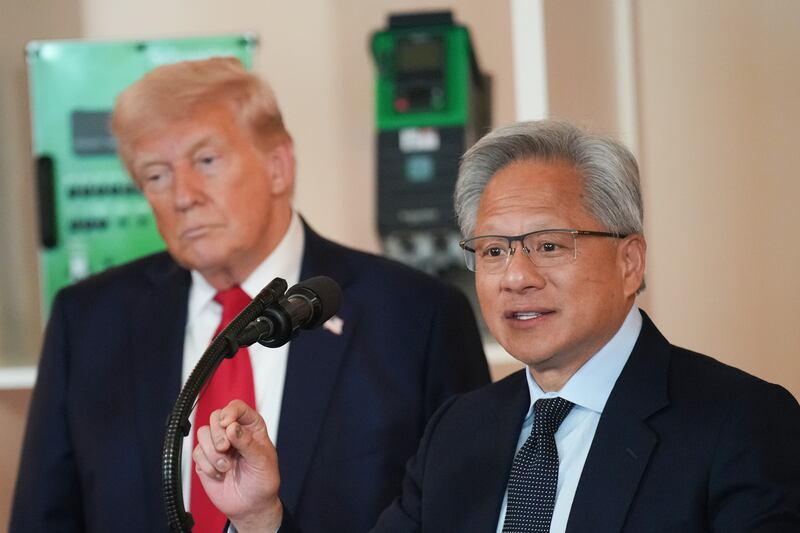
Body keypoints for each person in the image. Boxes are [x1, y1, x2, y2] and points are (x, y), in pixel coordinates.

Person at [193, 119, 800, 533]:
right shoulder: (460, 430)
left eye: (547, 245)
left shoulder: (742, 425)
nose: (516, 277)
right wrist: (260, 516)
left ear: (629, 261)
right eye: (492, 251)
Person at [9, 57, 490, 533]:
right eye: (156, 175)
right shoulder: (88, 322)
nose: (182, 195)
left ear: (278, 165)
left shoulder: (419, 317)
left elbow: (467, 513)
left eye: (206, 161)